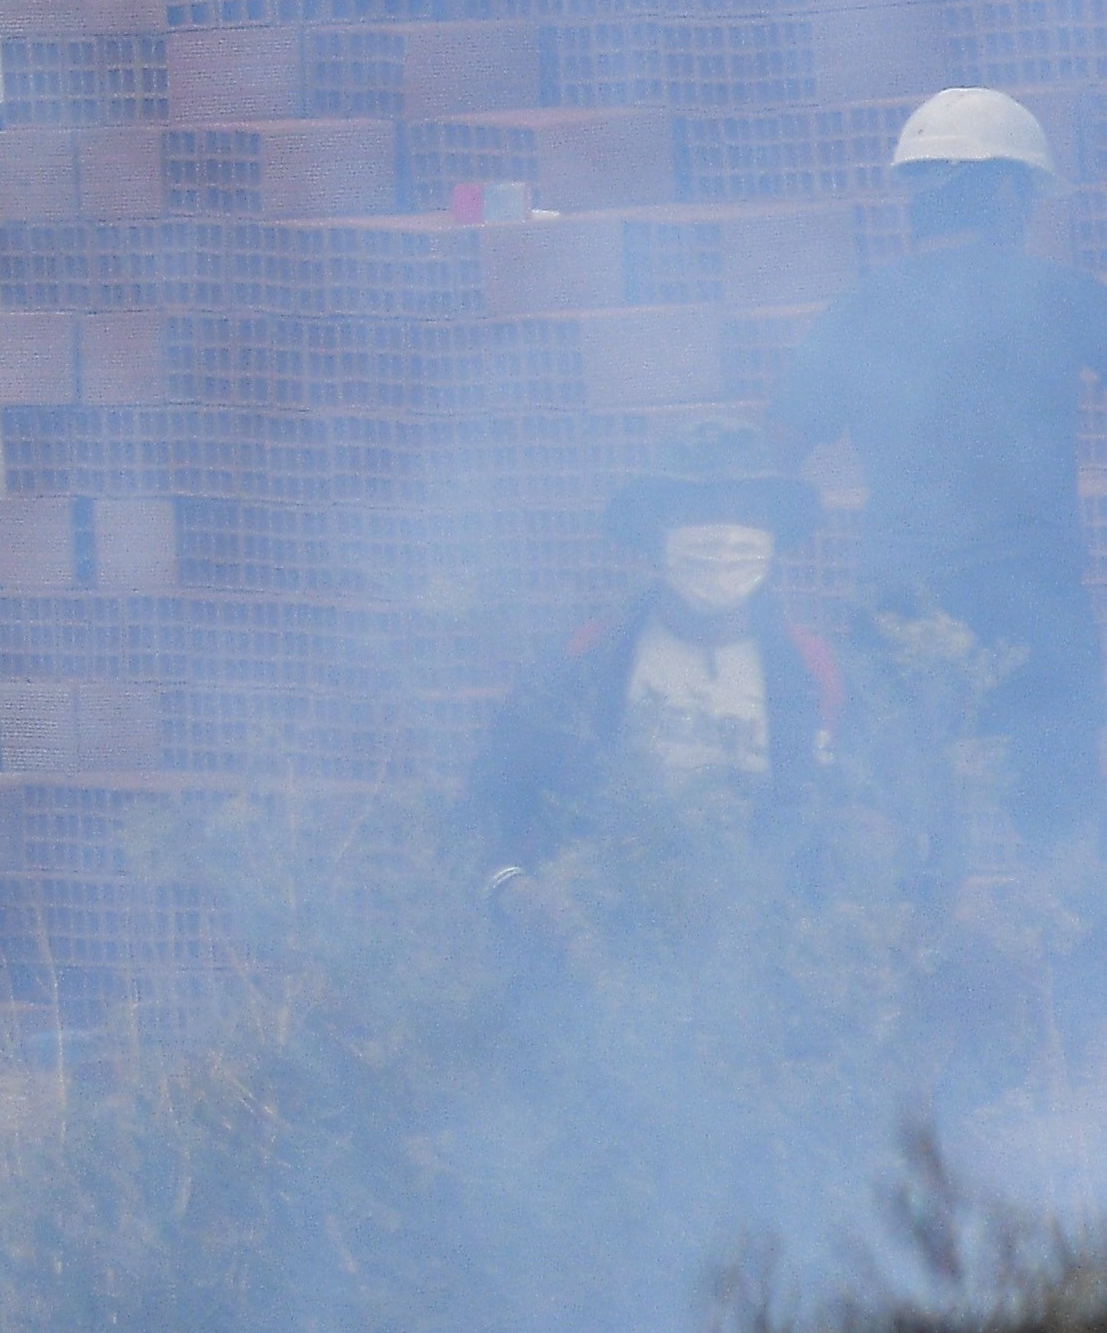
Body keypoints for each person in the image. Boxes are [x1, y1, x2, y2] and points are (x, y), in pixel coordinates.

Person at [767, 87, 1107, 858]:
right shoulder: (1061, 297)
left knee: (897, 839)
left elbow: (776, 449)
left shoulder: (859, 311)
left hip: (901, 611)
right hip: (1033, 609)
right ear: (1010, 194)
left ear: (917, 201)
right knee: (1067, 839)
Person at [469, 448, 839, 909]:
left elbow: (856, 813)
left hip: (761, 947)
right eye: (698, 511)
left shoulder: (813, 671)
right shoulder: (585, 661)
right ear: (654, 536)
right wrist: (514, 888)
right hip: (606, 932)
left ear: (773, 538)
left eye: (745, 513)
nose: (724, 536)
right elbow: (492, 794)